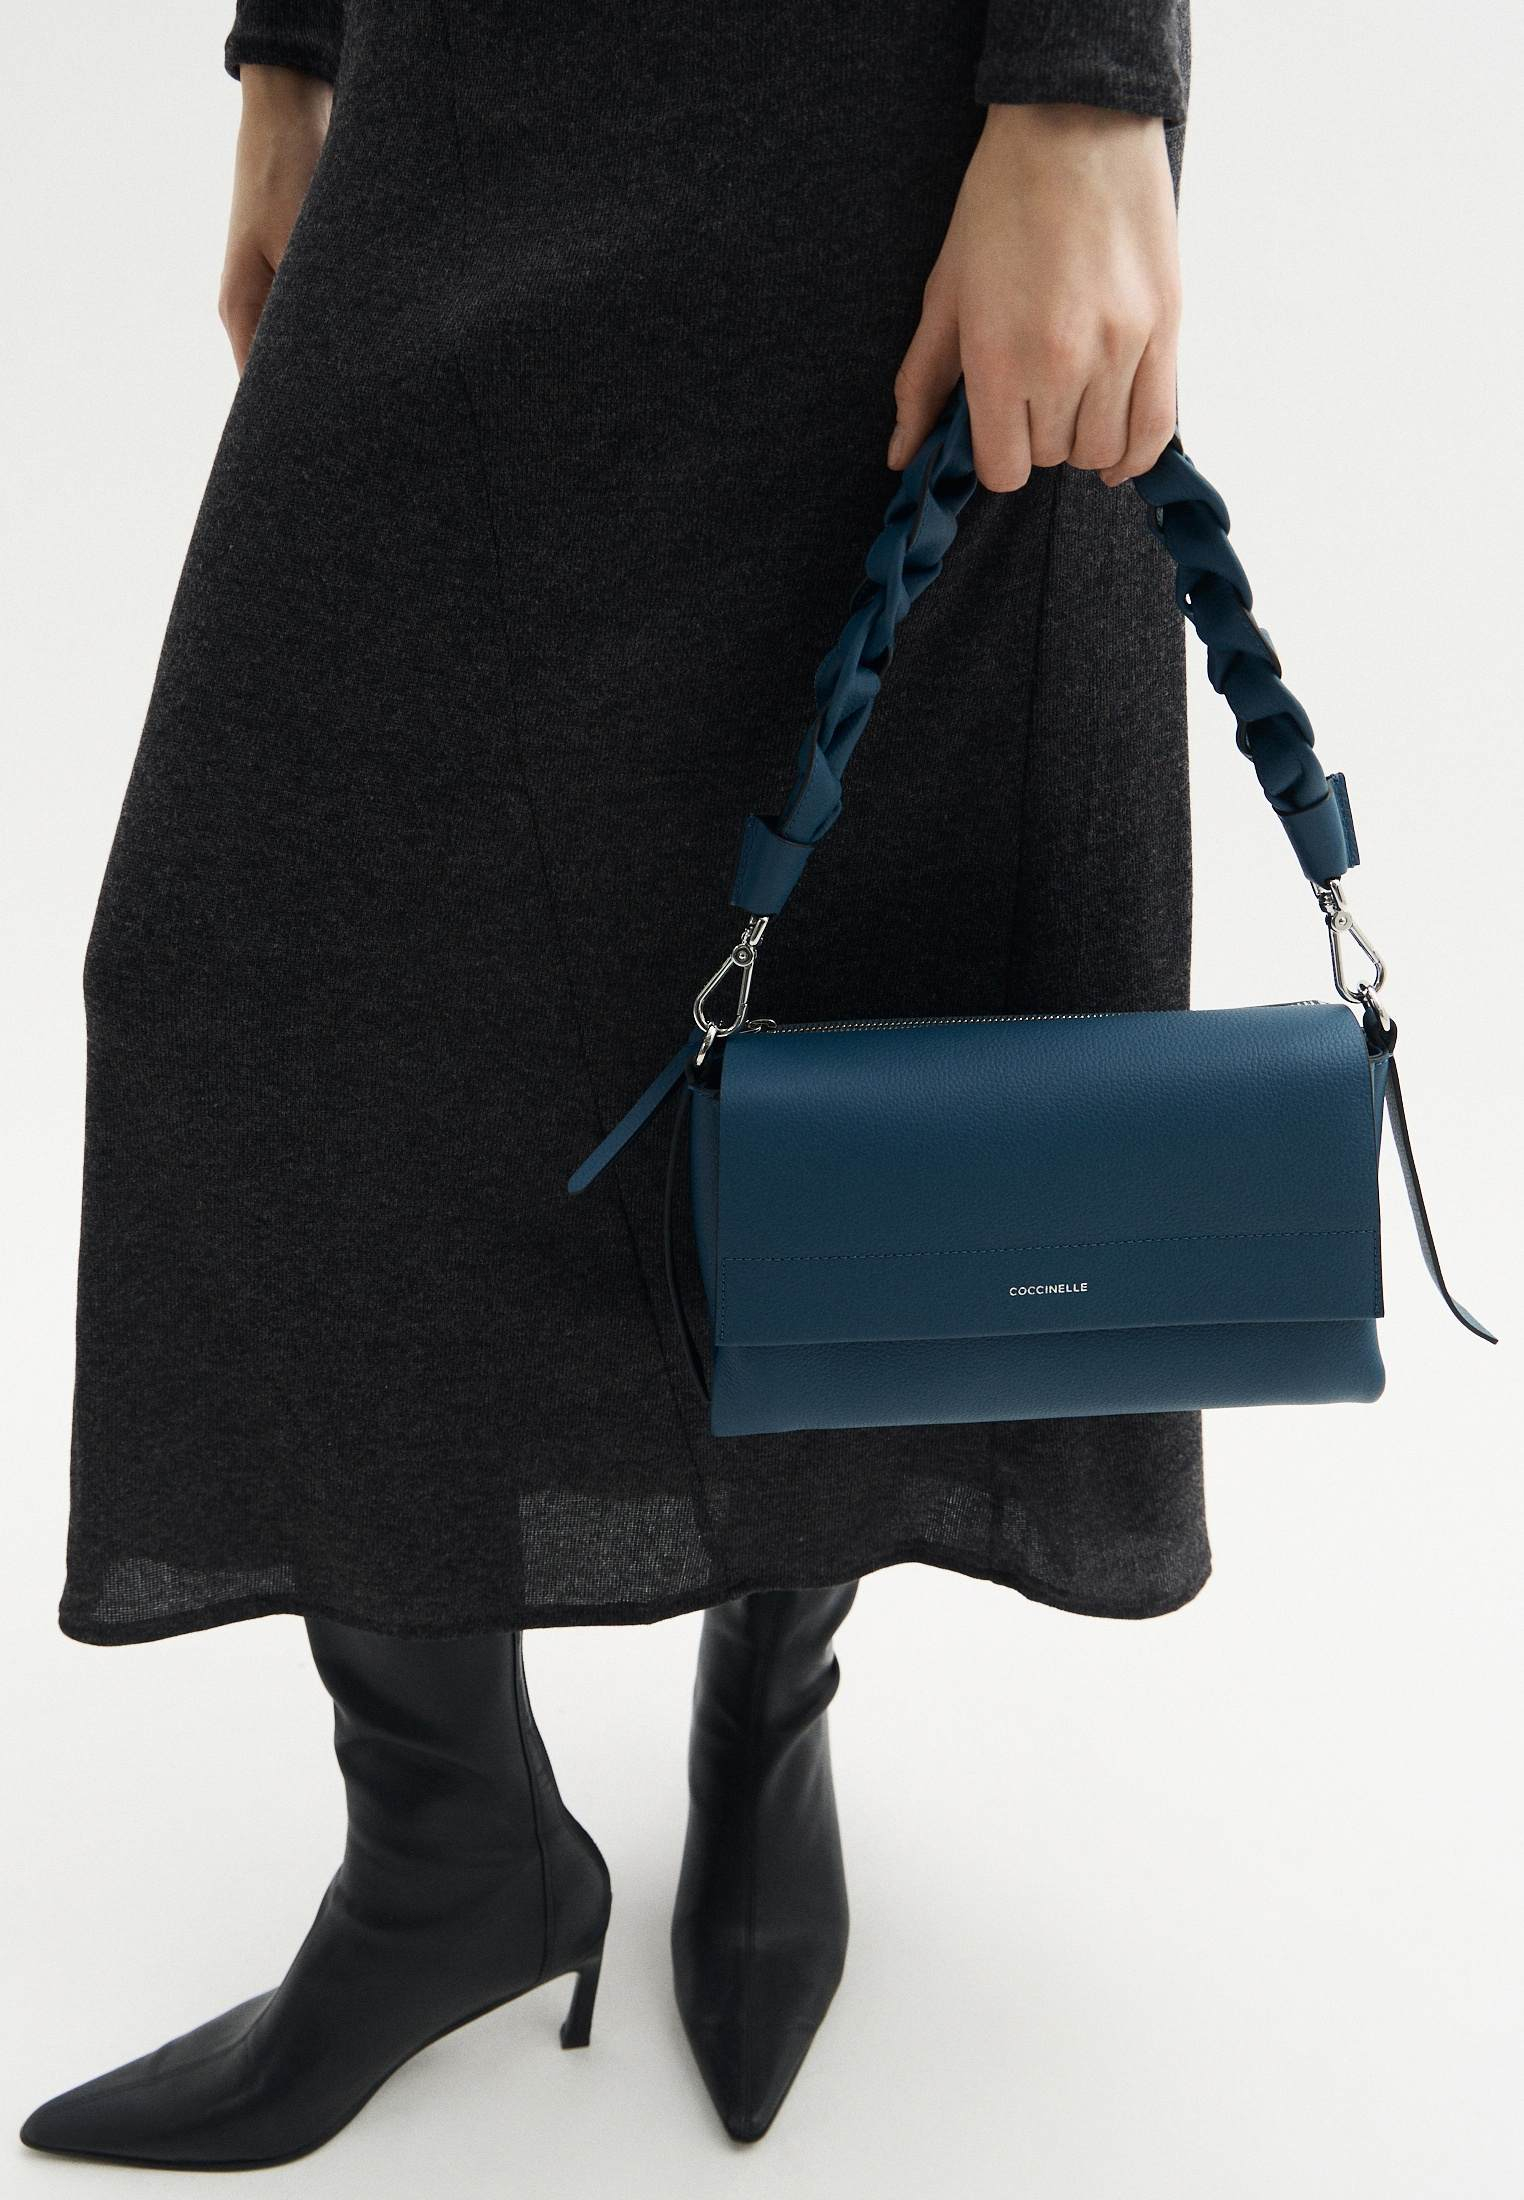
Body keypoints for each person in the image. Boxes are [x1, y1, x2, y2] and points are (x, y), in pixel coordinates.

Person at [22, 0, 1204, 2165]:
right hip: (462, 71)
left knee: (849, 969)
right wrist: (293, 49)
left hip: (892, 107)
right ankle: (451, 1849)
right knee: (238, 976)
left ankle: (771, 1707)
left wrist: (1088, 84)